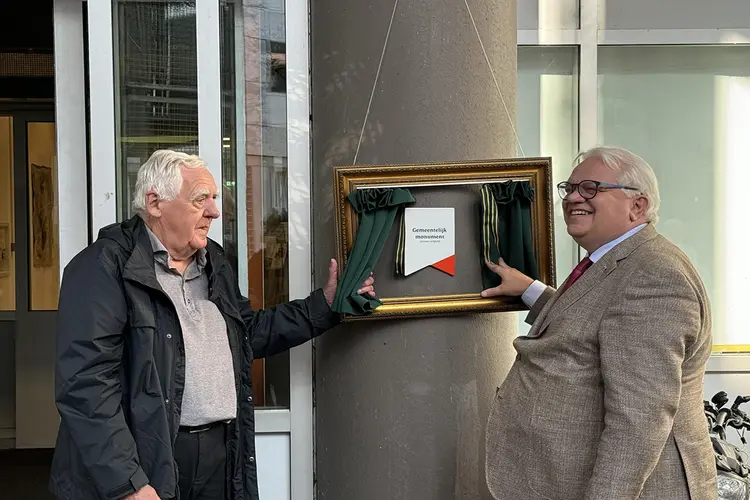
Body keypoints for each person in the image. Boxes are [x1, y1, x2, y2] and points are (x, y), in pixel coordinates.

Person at [48, 150, 375, 500]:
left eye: (214, 199)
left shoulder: (214, 261)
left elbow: (245, 335)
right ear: (155, 202)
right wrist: (129, 484)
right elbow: (86, 386)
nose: (214, 212)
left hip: (220, 453)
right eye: (200, 199)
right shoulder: (102, 267)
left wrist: (324, 305)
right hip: (146, 459)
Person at [482, 147, 716, 500]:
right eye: (570, 188)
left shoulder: (654, 275)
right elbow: (595, 325)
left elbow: (638, 420)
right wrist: (531, 290)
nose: (574, 197)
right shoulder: (617, 261)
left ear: (637, 206)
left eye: (591, 188)